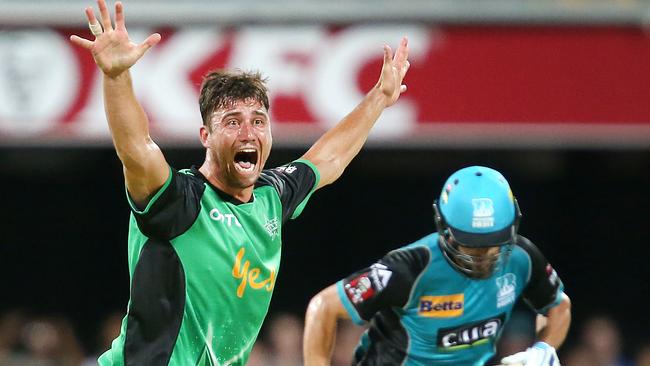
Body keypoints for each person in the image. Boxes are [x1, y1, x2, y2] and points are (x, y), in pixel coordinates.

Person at [69, 0, 410, 364]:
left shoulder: (272, 196)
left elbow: (329, 157)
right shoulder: (180, 202)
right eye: (232, 122)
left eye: (258, 121)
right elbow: (136, 148)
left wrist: (379, 98)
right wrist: (116, 77)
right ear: (206, 136)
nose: (248, 133)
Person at [303, 166, 572, 366]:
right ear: (444, 229)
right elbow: (323, 307)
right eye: (471, 245)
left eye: (493, 243)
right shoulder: (409, 268)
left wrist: (541, 350)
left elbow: (558, 306)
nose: (483, 255)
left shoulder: (521, 258)